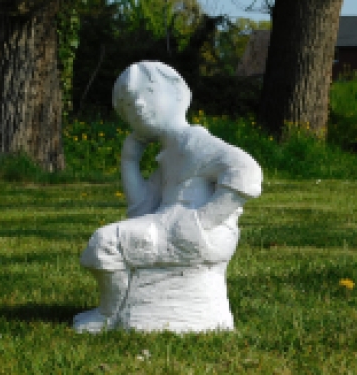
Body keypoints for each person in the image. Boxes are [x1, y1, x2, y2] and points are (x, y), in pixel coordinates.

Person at [74, 61, 262, 333]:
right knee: (107, 242)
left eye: (148, 92)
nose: (137, 105)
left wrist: (202, 221)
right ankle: (118, 311)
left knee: (105, 243)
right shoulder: (170, 154)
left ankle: (109, 314)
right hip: (174, 226)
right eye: (126, 105)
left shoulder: (196, 144)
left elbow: (245, 171)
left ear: (179, 92)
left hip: (194, 232)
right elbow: (142, 209)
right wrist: (129, 161)